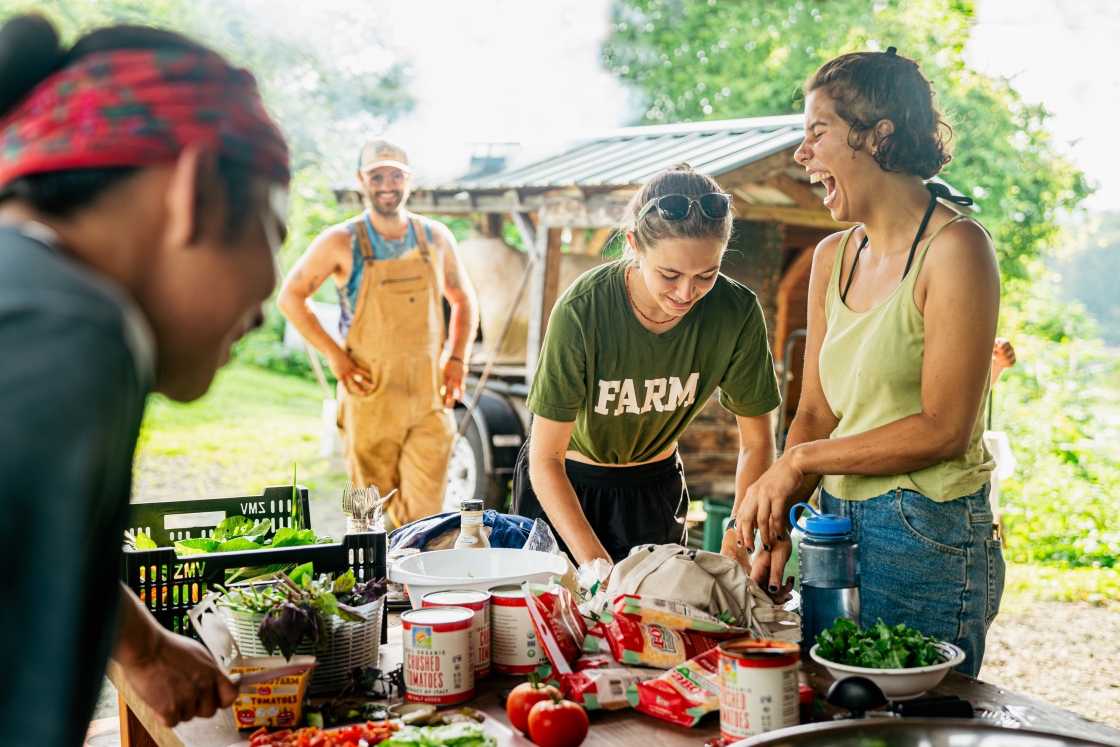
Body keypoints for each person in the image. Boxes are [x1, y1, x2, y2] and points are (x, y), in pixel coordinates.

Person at [0, 16, 290, 746]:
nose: (264, 307)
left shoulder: (27, 294)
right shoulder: (73, 328)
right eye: (275, 228)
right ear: (194, 188)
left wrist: (145, 644)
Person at [736, 48, 1004, 676]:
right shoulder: (832, 256)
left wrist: (796, 463)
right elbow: (814, 411)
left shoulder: (957, 249)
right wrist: (777, 512)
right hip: (831, 525)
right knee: (831, 708)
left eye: (818, 132)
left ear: (878, 136)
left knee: (912, 724)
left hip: (925, 533)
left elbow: (945, 429)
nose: (802, 154)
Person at [512, 164, 783, 570]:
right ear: (634, 245)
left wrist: (737, 536)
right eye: (669, 274)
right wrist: (599, 570)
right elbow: (545, 458)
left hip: (655, 490)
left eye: (707, 275)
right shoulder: (582, 310)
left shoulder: (737, 311)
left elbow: (757, 443)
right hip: (565, 487)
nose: (686, 293)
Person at [278, 139, 478, 528]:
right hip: (368, 394)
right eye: (377, 176)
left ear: (409, 180)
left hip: (427, 394)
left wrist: (457, 358)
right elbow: (291, 297)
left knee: (425, 519)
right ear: (361, 180)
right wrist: (336, 357)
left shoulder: (435, 238)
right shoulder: (341, 241)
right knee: (365, 514)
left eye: (396, 176)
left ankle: (409, 584)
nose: (387, 184)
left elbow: (464, 301)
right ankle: (370, 584)